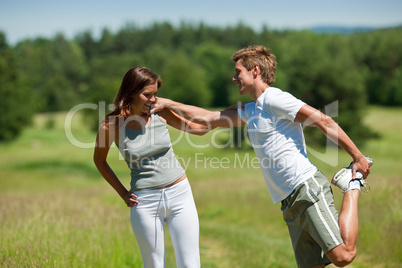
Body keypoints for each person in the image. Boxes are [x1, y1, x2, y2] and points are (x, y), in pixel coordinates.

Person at [151, 45, 372, 268]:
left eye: (238, 72)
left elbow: (324, 121)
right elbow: (203, 122)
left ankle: (352, 184)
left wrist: (358, 157)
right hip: (288, 200)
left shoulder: (275, 99)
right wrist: (165, 107)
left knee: (343, 256)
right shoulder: (252, 110)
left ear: (255, 70)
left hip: (306, 186)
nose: (233, 78)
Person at [93, 67, 210, 268]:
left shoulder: (161, 112)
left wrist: (172, 104)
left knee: (190, 264)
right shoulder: (111, 126)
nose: (153, 100)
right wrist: (122, 193)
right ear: (131, 92)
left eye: (155, 94)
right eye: (147, 95)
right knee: (154, 264)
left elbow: (200, 129)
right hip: (145, 203)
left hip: (180, 195)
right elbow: (99, 161)